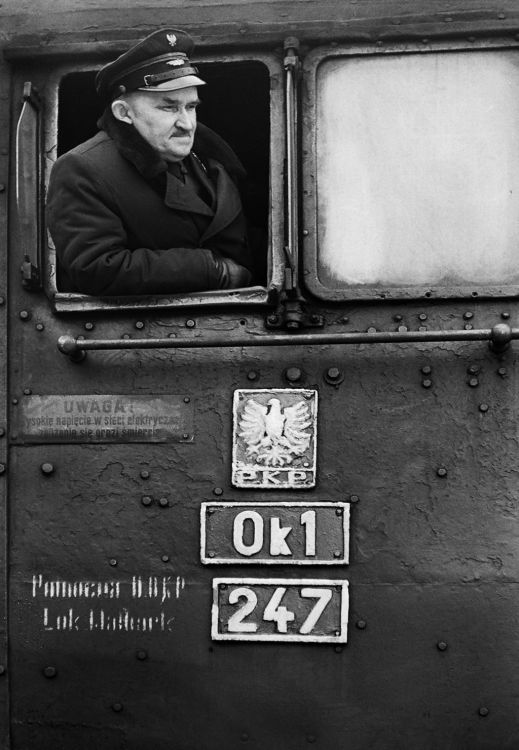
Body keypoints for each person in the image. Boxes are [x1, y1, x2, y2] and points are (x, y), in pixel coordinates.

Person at [46, 28, 253, 296]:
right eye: (169, 107)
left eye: (191, 107)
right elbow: (97, 268)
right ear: (124, 112)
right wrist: (212, 270)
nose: (187, 123)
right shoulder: (82, 168)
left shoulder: (210, 156)